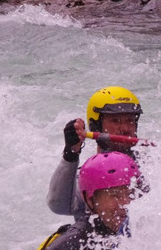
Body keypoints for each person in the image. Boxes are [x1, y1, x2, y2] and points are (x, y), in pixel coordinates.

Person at [12, 151, 140, 250]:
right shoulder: (74, 244)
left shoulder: (136, 230)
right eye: (115, 195)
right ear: (90, 201)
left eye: (131, 193)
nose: (126, 203)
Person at [47, 86, 143, 220]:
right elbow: (59, 205)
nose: (126, 129)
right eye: (116, 121)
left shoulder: (150, 166)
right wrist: (71, 154)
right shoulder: (90, 174)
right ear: (96, 126)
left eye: (130, 121)